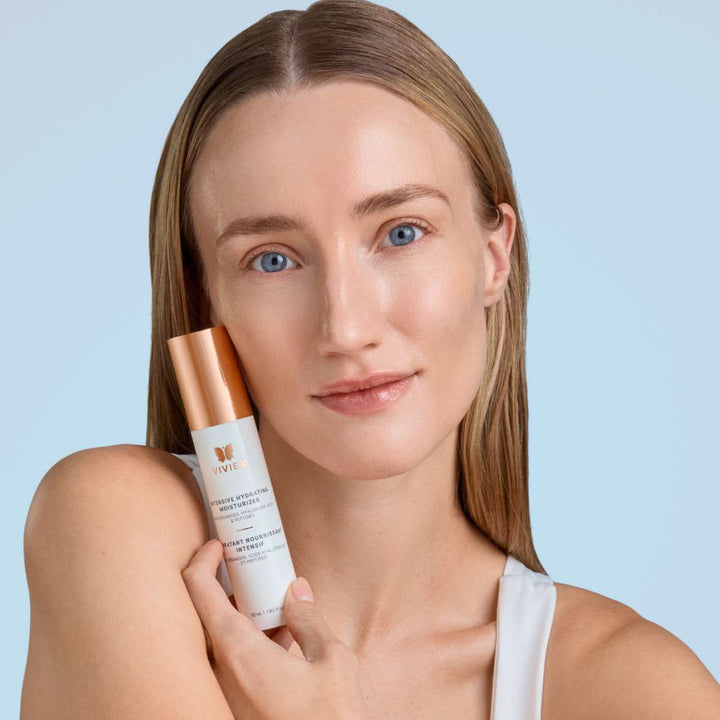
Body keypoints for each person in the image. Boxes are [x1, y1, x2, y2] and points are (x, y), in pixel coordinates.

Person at [21, 1, 719, 718]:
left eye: (402, 233)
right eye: (272, 259)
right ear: (207, 301)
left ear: (493, 254)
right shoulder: (116, 526)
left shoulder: (636, 690)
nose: (346, 328)